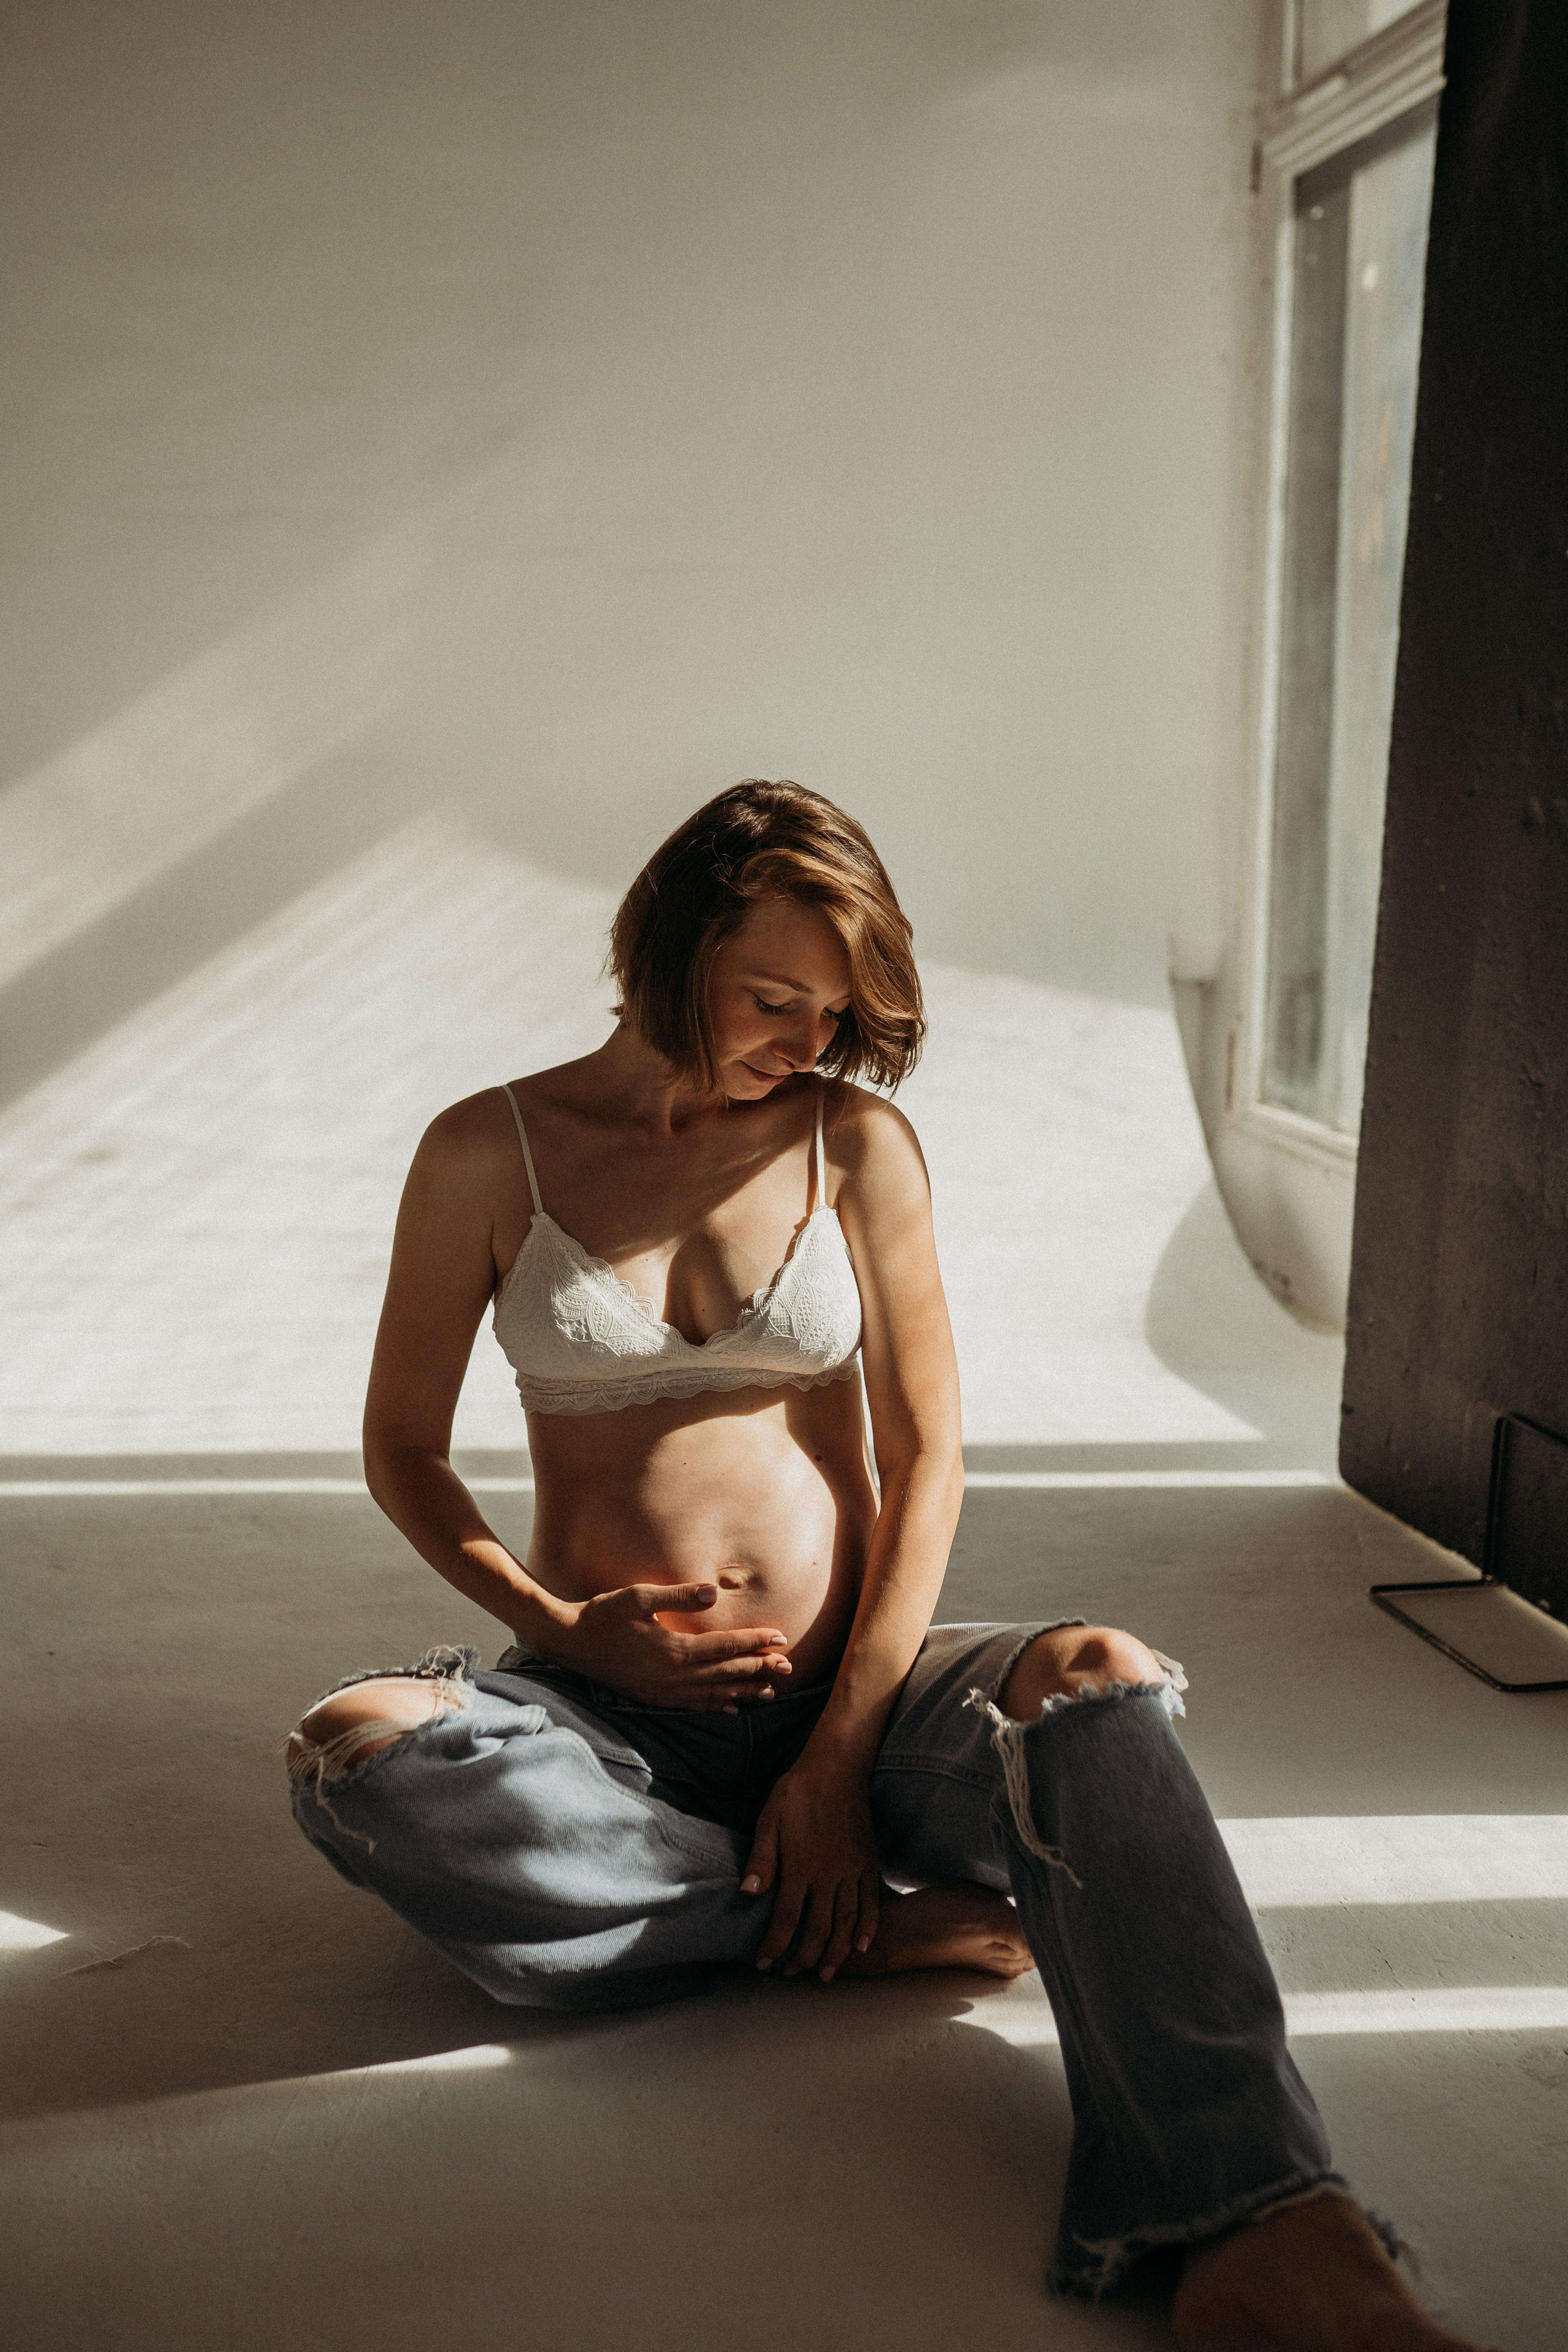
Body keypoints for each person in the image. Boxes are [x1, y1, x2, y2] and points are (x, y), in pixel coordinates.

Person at [288, 781, 1487, 2351]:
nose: (802, 1039)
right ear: (668, 943)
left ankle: (1259, 2215)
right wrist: (564, 1628)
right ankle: (805, 1919)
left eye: (833, 1012)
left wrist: (841, 1759)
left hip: (864, 1686)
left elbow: (927, 1461)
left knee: (1099, 1681)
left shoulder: (852, 1144)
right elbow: (405, 1450)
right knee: (356, 1753)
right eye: (772, 997)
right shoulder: (484, 1149)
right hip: (614, 1718)